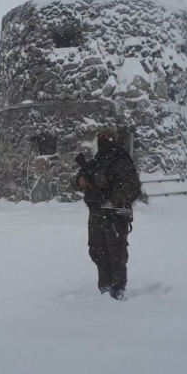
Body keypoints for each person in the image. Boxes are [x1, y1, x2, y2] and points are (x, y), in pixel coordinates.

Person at [76, 128, 142, 301]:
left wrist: (113, 199)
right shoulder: (96, 161)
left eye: (105, 138)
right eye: (100, 137)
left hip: (116, 213)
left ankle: (118, 288)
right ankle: (105, 286)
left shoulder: (121, 161)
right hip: (97, 213)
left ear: (112, 139)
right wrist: (80, 181)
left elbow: (132, 186)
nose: (102, 140)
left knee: (116, 253)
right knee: (97, 250)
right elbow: (77, 179)